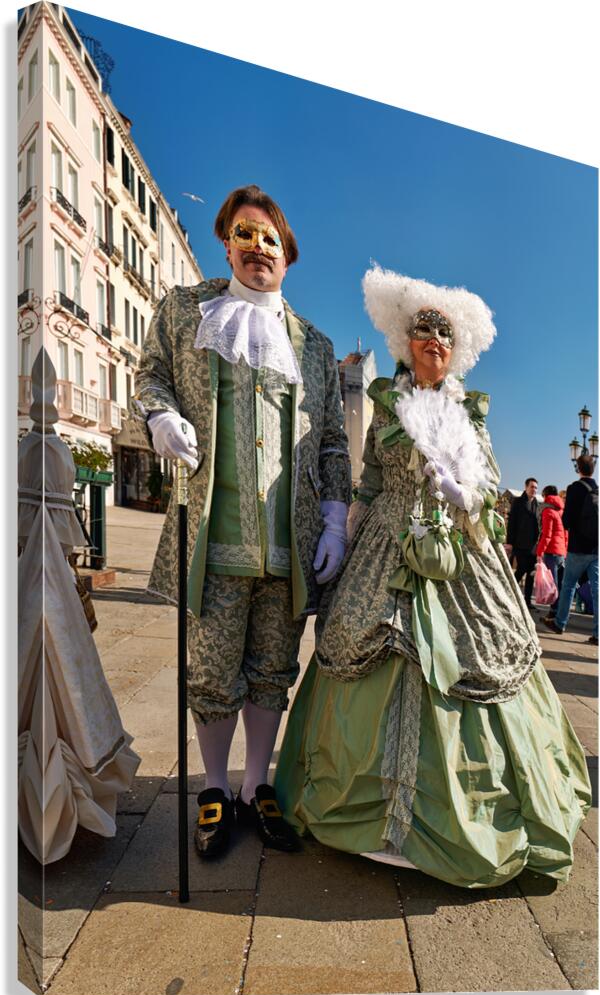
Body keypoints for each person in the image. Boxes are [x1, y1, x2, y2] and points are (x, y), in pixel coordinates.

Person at [275, 266, 590, 888]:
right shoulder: (387, 405)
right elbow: (369, 480)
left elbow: (488, 487)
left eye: (444, 336)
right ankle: (371, 812)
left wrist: (464, 494)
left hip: (456, 549)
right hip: (385, 544)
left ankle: (449, 815)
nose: (434, 343)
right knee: (367, 644)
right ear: (406, 342)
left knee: (469, 657)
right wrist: (345, 533)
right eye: (424, 333)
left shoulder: (470, 414)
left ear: (455, 349)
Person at [135, 184, 351, 859]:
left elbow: (334, 442)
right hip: (214, 535)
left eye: (270, 239)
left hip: (289, 544)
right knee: (210, 672)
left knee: (272, 668)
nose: (259, 247)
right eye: (245, 234)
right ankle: (215, 786)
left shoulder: (316, 345)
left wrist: (336, 518)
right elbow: (151, 374)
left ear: (288, 255)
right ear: (225, 243)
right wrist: (160, 415)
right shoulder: (185, 310)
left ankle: (258, 783)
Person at [543, 454, 598, 645]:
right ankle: (598, 633)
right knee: (597, 591)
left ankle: (560, 623)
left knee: (568, 586)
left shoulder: (575, 489)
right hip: (596, 549)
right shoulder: (597, 489)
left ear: (578, 469)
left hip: (577, 548)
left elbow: (566, 521)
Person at [506, 478, 540, 609]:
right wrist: (509, 542)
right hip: (519, 543)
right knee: (521, 569)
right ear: (525, 487)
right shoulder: (518, 502)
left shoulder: (536, 504)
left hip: (533, 545)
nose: (534, 489)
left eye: (536, 487)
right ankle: (510, 594)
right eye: (532, 487)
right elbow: (512, 523)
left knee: (531, 573)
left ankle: (527, 601)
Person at [536, 484, 567, 617]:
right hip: (561, 551)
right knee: (560, 584)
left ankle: (554, 613)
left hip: (551, 551)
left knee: (552, 585)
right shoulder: (561, 510)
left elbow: (547, 535)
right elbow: (565, 533)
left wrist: (539, 552)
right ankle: (559, 612)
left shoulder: (548, 511)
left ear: (546, 495)